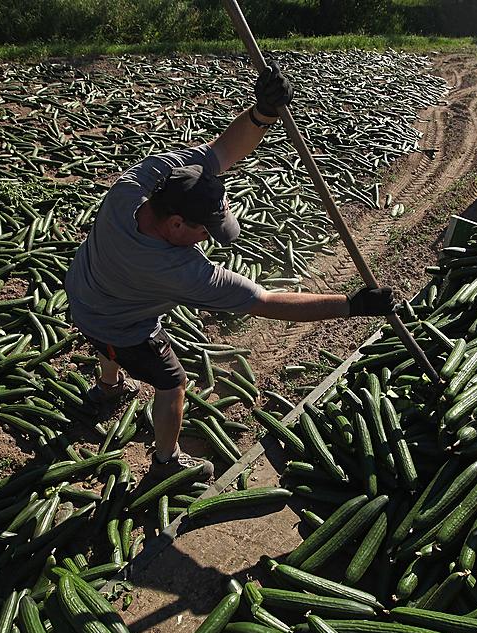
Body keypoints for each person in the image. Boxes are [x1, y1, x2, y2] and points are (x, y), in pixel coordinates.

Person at [64, 62, 395, 480]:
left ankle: (107, 388)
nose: (207, 239)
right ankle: (165, 462)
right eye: (204, 231)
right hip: (119, 325)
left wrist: (263, 114)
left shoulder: (139, 184)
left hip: (82, 289)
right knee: (171, 384)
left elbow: (221, 151)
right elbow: (267, 301)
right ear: (177, 225)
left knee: (103, 334)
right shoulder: (178, 270)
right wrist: (351, 305)